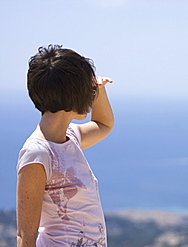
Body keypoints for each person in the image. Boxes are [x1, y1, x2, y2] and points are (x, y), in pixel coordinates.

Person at [16, 45, 114, 247]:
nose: (91, 94)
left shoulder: (71, 138)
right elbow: (25, 237)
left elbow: (104, 124)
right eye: (87, 89)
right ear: (72, 94)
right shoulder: (37, 153)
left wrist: (99, 89)